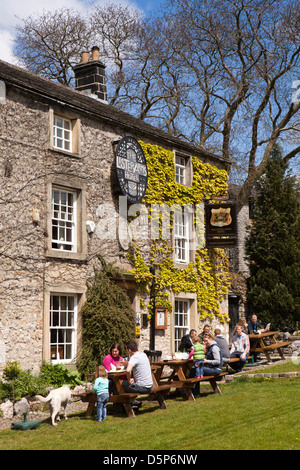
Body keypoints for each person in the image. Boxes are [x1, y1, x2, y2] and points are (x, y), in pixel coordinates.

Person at [123, 340, 153, 410]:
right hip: (150, 386)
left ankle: (127, 406)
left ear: (129, 350)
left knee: (122, 384)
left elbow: (128, 370)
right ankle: (133, 402)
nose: (127, 352)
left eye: (127, 350)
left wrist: (129, 379)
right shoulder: (143, 355)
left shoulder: (134, 357)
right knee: (128, 385)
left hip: (143, 387)